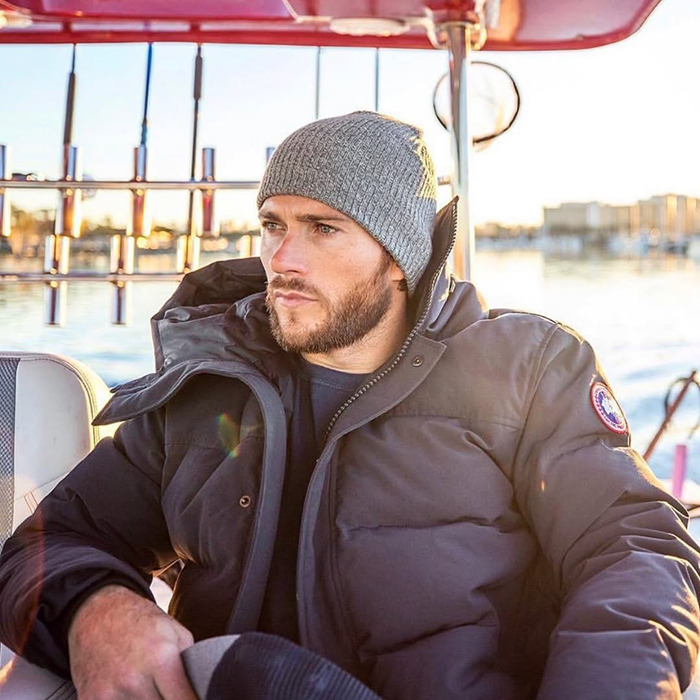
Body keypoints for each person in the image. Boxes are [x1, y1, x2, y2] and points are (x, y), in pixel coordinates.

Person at [1, 111, 699, 699]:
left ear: (400, 256)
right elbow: (45, 546)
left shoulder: (527, 368)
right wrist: (94, 608)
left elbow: (637, 551)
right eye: (274, 225)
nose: (284, 258)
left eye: (324, 228)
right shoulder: (209, 385)